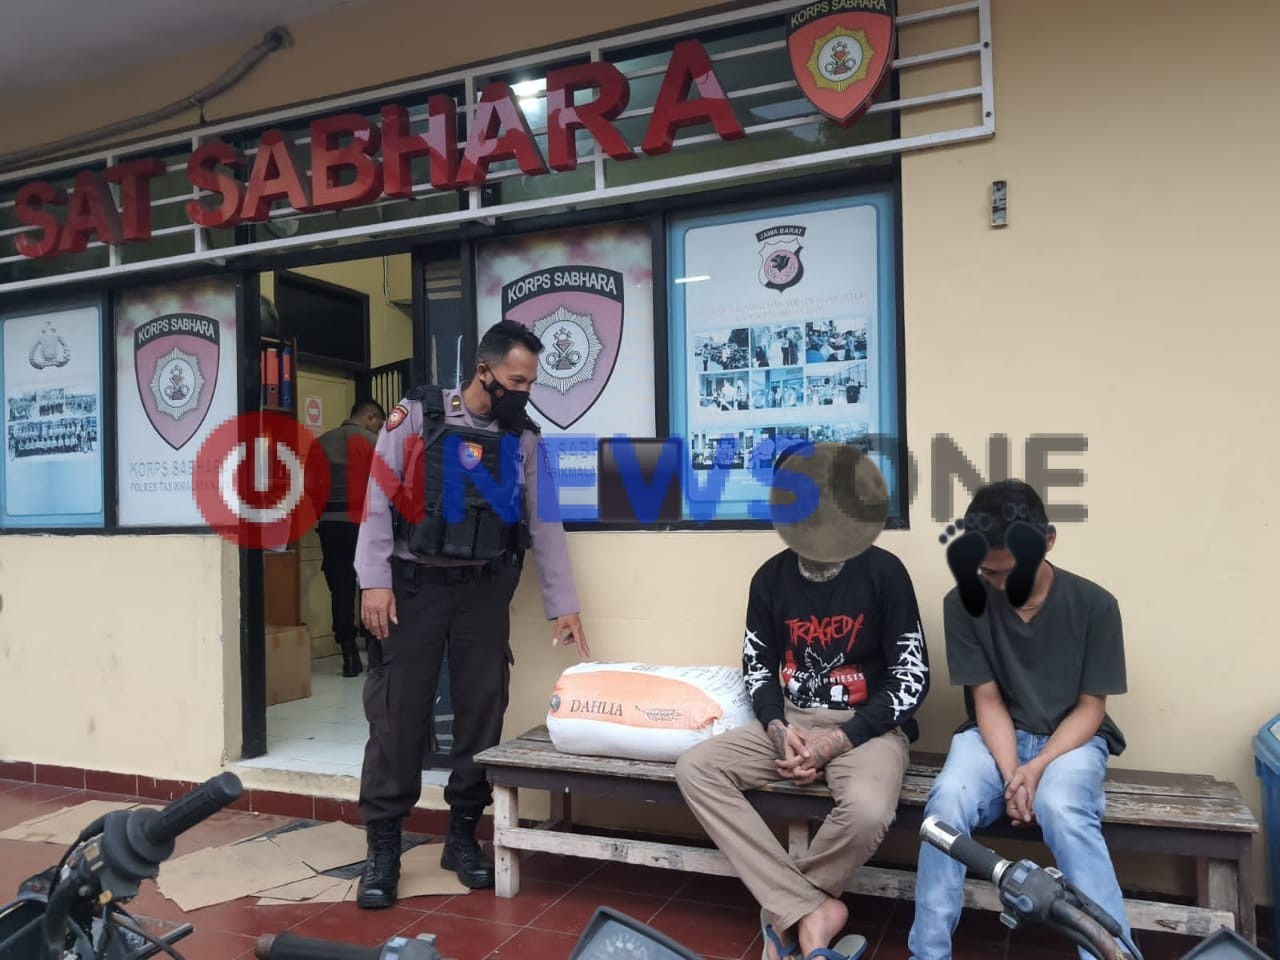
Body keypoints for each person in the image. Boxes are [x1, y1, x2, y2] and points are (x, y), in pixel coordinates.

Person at [352, 319, 589, 909]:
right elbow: (377, 500)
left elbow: (545, 521)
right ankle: (383, 847)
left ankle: (461, 836)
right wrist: (374, 581)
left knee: (482, 710)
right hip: (412, 589)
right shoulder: (418, 416)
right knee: (397, 714)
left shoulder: (524, 438)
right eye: (516, 381)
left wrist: (563, 605)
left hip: (483, 592)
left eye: (530, 382)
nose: (524, 392)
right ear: (484, 372)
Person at [675, 455, 931, 960]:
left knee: (868, 809)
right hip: (789, 723)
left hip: (867, 730)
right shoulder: (769, 579)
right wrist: (776, 727)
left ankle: (788, 913)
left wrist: (837, 741)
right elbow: (757, 668)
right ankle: (812, 911)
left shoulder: (884, 572)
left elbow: (911, 677)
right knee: (696, 769)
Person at [907, 480, 1132, 960]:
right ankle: (928, 954)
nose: (998, 584)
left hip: (1071, 741)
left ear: (1047, 541)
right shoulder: (962, 603)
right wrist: (1014, 775)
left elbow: (1091, 708)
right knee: (947, 802)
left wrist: (1038, 767)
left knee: (1062, 808)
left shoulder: (1095, 606)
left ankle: (1113, 954)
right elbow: (986, 700)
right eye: (987, 572)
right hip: (994, 738)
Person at [315, 398, 386, 677]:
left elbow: (310, 487)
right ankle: (375, 652)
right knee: (370, 585)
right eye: (378, 423)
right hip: (364, 525)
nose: (378, 428)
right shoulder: (372, 442)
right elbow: (385, 484)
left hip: (331, 525)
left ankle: (349, 656)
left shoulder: (321, 443)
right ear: (370, 418)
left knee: (340, 588)